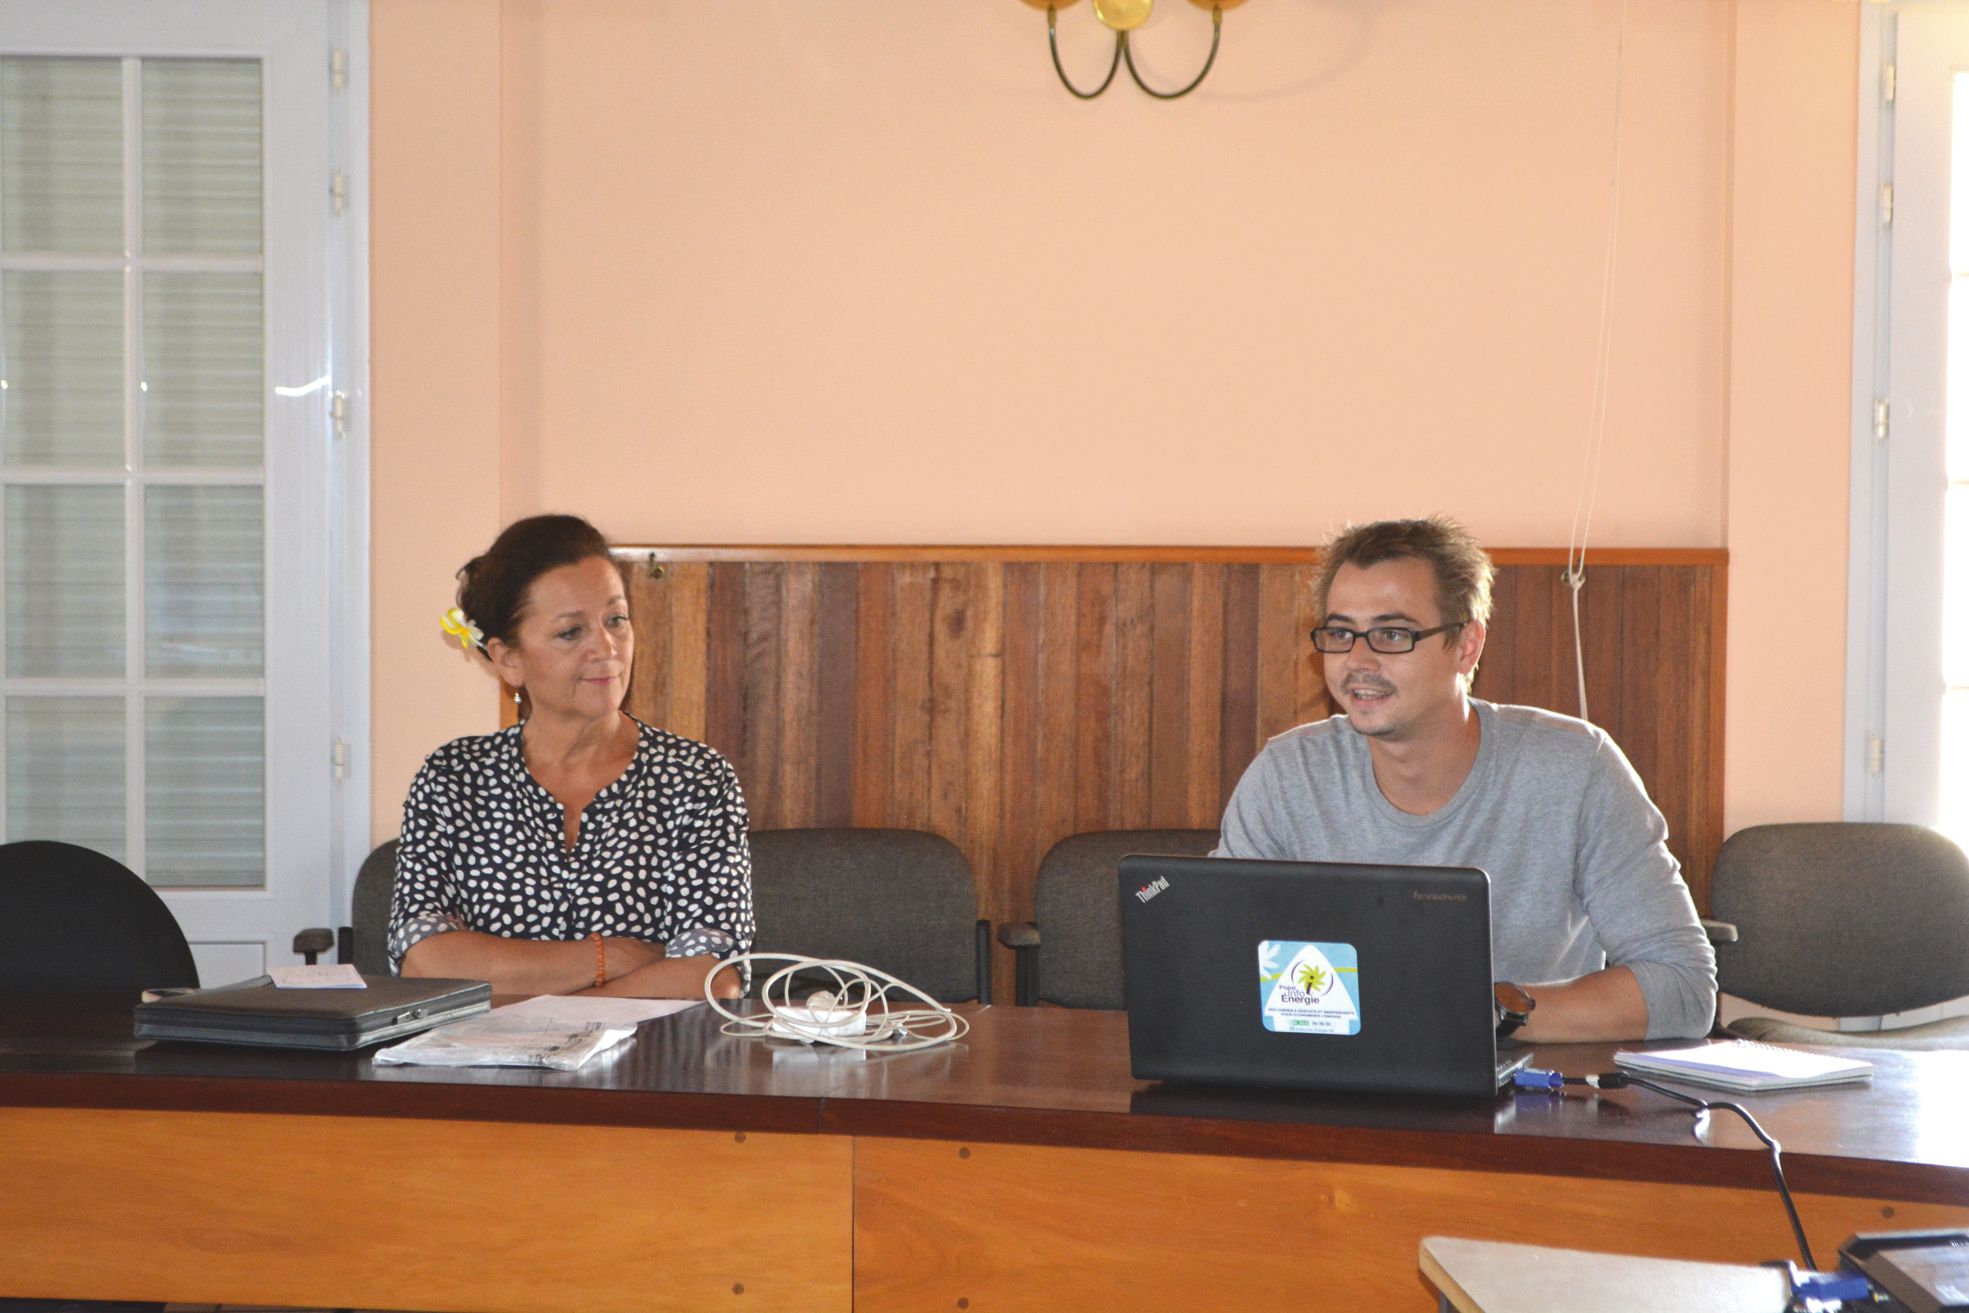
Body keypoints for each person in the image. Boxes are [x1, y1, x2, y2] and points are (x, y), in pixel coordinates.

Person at [1215, 516, 1716, 1042]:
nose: (1357, 661)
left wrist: (1473, 1011)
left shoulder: (1576, 767)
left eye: (1392, 634)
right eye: (1341, 633)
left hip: (1520, 1097)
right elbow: (1215, 960)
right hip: (1328, 1088)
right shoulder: (1287, 773)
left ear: (1466, 646)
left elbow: (1682, 989)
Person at [389, 514, 753, 998]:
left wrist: (544, 1003)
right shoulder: (454, 778)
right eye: (570, 632)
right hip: (486, 1069)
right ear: (507, 658)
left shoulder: (695, 779)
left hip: (646, 1067)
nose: (606, 648)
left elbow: (713, 974)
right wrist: (615, 956)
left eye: (616, 620)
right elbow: (425, 959)